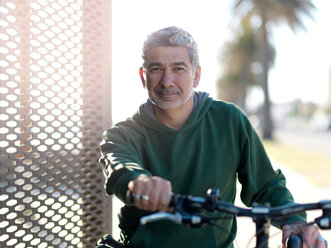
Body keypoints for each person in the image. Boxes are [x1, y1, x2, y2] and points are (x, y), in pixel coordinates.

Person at [98, 26, 325, 248]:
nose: (167, 81)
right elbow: (120, 167)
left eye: (178, 69)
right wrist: (140, 183)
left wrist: (294, 222)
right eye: (156, 68)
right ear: (143, 76)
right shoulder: (121, 135)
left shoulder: (229, 119)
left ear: (196, 75)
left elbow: (265, 185)